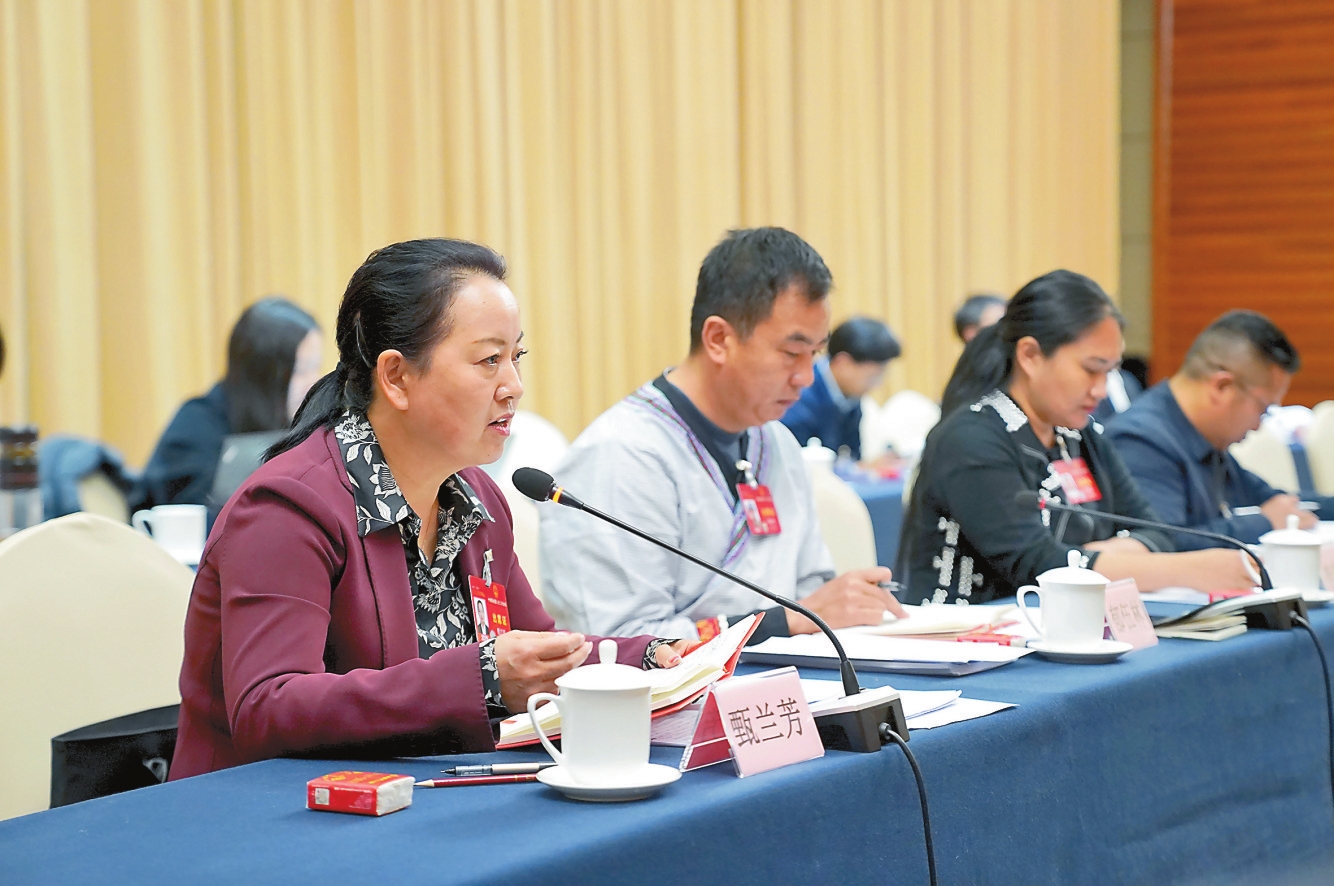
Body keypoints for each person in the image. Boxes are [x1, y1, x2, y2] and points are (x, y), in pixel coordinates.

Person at [171, 239, 685, 779]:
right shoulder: (287, 508)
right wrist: (481, 679)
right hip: (275, 809)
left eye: (516, 357)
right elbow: (268, 710)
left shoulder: (477, 500)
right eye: (489, 360)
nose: (513, 386)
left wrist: (651, 657)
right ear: (396, 377)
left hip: (426, 793)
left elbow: (539, 654)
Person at [539, 227, 904, 644]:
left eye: (815, 353)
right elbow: (618, 643)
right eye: (791, 353)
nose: (806, 377)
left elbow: (809, 593)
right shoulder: (620, 456)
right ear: (718, 339)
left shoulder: (777, 443)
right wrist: (782, 622)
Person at [900, 270, 1252, 605]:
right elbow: (1039, 566)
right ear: (1030, 356)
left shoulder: (1080, 433)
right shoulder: (971, 438)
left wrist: (1084, 558)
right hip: (963, 634)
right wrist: (1186, 570)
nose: (1101, 390)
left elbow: (1157, 532)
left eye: (1109, 372)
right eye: (1091, 370)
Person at [1106, 310, 1333, 549]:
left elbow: (1276, 502)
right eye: (1262, 408)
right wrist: (1265, 522)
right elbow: (1163, 541)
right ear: (1222, 387)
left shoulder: (1205, 437)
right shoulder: (1140, 441)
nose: (1258, 425)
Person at [131, 297, 324, 513]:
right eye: (300, 370)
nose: (313, 382)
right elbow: (191, 521)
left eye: (315, 367)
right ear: (262, 375)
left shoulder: (302, 426)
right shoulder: (196, 428)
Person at [780, 316, 901, 460]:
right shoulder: (799, 398)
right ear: (843, 363)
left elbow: (851, 455)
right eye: (872, 377)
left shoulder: (849, 398)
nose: (877, 384)